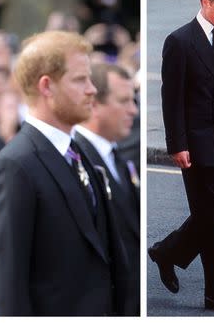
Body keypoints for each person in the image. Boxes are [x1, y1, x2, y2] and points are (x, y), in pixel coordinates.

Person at [0, 31, 130, 316]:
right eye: (79, 80)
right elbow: (8, 285)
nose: (91, 89)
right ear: (47, 86)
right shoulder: (15, 166)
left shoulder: (80, 153)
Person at [149, 0, 214, 313]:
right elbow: (170, 99)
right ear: (204, 3)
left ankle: (167, 252)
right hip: (196, 144)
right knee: (212, 221)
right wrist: (177, 144)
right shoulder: (180, 41)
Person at [74, 62, 140, 316]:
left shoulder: (118, 158)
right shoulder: (76, 159)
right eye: (124, 101)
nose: (133, 110)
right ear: (94, 104)